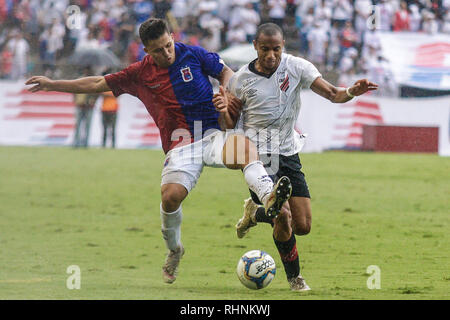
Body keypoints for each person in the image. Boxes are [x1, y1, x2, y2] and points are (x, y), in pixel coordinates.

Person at [25, 18, 292, 285]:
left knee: (244, 149)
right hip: (181, 144)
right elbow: (97, 83)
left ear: (172, 37)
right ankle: (174, 250)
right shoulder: (139, 73)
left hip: (213, 133)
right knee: (170, 197)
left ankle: (269, 197)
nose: (166, 53)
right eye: (158, 50)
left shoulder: (193, 53)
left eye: (168, 45)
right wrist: (52, 84)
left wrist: (229, 93)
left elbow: (225, 72)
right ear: (146, 51)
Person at [213, 23, 378, 291]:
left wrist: (351, 91)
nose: (270, 55)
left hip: (289, 151)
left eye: (276, 49)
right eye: (265, 49)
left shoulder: (297, 67)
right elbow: (230, 124)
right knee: (283, 216)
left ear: (282, 47)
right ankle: (295, 279)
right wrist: (222, 109)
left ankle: (256, 213)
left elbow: (333, 94)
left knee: (303, 226)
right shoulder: (240, 80)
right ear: (255, 45)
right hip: (260, 156)